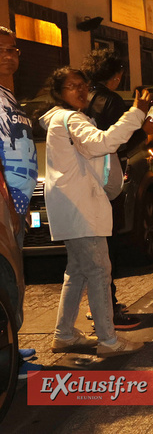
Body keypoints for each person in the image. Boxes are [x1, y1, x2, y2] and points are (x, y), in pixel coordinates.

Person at [40, 67, 151, 358]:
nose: (79, 90)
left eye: (82, 85)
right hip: (81, 209)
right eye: (71, 86)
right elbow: (101, 144)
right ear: (59, 93)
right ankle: (108, 340)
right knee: (100, 272)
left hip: (73, 207)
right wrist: (136, 113)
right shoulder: (71, 119)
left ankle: (64, 335)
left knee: (76, 272)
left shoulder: (63, 120)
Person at [80, 48, 141, 330]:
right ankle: (109, 312)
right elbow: (124, 140)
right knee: (108, 249)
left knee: (89, 253)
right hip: (105, 181)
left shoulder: (83, 99)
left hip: (83, 180)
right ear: (117, 76)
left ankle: (99, 306)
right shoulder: (112, 101)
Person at [0, 26, 40, 379]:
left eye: (13, 50)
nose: (8, 55)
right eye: (1, 50)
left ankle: (12, 348)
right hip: (3, 207)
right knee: (6, 282)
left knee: (16, 280)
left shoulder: (10, 96)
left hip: (16, 204)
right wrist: (10, 206)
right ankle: (6, 364)